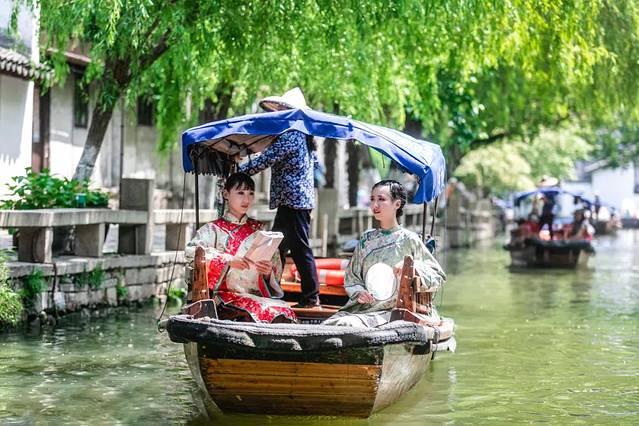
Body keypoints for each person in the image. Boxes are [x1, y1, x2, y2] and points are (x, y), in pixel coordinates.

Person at [238, 88, 321, 308]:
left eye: (284, 109)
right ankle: (274, 290)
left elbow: (266, 159)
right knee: (278, 248)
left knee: (299, 248)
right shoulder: (305, 136)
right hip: (293, 200)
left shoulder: (291, 135)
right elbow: (315, 165)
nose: (280, 113)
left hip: (293, 201)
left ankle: (311, 297)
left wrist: (238, 172)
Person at [323, 180, 446, 327]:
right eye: (372, 199)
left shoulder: (409, 239)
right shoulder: (366, 239)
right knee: (331, 324)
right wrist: (359, 293)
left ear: (397, 204)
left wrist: (411, 266)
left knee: (346, 324)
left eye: (381, 199)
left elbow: (437, 275)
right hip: (363, 309)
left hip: (395, 311)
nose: (375, 205)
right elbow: (352, 277)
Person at [185, 172, 296, 323]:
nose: (246, 199)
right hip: (224, 297)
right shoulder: (212, 229)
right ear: (226, 194)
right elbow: (191, 252)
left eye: (250, 194)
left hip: (255, 295)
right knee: (263, 311)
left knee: (284, 310)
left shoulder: (259, 230)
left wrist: (268, 273)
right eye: (240, 193)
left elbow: (274, 268)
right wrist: (228, 260)